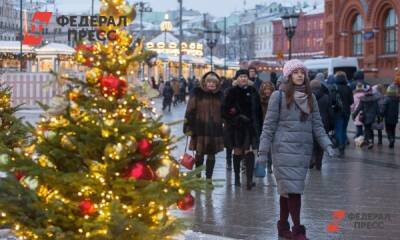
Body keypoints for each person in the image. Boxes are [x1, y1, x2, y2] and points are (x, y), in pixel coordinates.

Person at [257, 59, 335, 240]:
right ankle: (298, 230)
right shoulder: (278, 96)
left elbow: (317, 125)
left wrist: (327, 144)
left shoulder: (311, 97)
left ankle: (283, 228)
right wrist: (262, 153)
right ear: (288, 75)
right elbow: (268, 127)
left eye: (302, 72)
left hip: (303, 151)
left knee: (287, 190)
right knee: (294, 190)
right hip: (283, 150)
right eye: (296, 72)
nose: (300, 75)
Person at [222, 69, 263, 190]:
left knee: (249, 152)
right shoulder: (231, 92)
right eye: (241, 76)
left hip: (250, 128)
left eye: (245, 76)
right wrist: (236, 117)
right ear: (237, 78)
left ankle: (249, 180)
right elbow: (224, 111)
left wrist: (259, 126)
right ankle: (236, 178)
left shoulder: (253, 91)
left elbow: (258, 111)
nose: (243, 79)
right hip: (236, 128)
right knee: (238, 152)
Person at [183, 72, 224, 180]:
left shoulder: (220, 95)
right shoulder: (197, 93)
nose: (211, 84)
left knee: (212, 155)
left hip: (214, 130)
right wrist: (187, 126)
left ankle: (209, 178)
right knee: (199, 154)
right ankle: (198, 176)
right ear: (205, 83)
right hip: (199, 129)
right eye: (209, 82)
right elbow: (190, 110)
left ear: (217, 83)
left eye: (213, 82)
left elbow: (224, 111)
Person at [310, 79, 334, 170]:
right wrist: (332, 124)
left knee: (311, 143)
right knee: (320, 145)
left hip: (311, 123)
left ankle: (311, 159)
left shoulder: (308, 97)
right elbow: (330, 112)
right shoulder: (326, 97)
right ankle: (318, 164)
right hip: (324, 123)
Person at [332, 71, 354, 157]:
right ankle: (343, 145)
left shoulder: (334, 87)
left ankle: (341, 147)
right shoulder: (348, 88)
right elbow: (351, 101)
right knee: (344, 129)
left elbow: (332, 100)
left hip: (337, 111)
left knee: (338, 129)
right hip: (347, 112)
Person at [259, 81, 275, 173]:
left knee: (270, 148)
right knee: (262, 147)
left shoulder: (275, 100)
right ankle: (261, 166)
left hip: (271, 126)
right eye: (265, 89)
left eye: (269, 89)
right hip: (262, 125)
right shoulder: (259, 100)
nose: (267, 91)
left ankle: (269, 165)